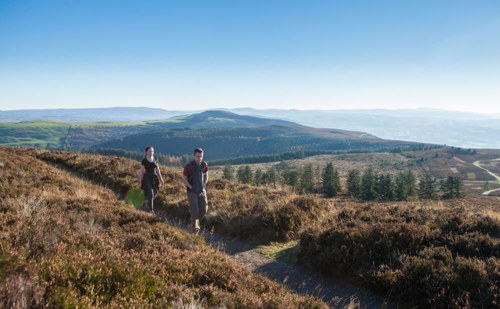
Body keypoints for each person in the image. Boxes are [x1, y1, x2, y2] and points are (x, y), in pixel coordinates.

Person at [182, 148, 209, 234]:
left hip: (201, 191)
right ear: (194, 156)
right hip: (192, 192)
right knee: (195, 211)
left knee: (204, 210)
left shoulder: (204, 165)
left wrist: (204, 183)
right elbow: (184, 178)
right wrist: (190, 186)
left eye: (201, 156)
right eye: (198, 156)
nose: (200, 158)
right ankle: (195, 229)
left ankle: (194, 220)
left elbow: (206, 174)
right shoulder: (188, 166)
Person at [139, 146, 164, 214]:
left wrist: (161, 179)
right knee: (150, 192)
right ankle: (151, 210)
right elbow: (141, 172)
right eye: (150, 151)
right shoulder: (144, 160)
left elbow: (158, 170)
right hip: (147, 178)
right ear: (146, 152)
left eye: (152, 151)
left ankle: (146, 202)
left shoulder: (155, 159)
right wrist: (140, 182)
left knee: (154, 193)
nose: (151, 152)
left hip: (154, 178)